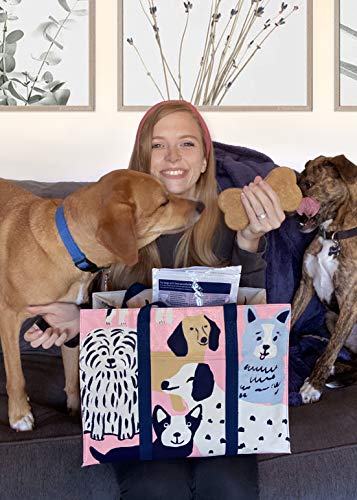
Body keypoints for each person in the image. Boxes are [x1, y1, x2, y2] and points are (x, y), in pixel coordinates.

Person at [24, 100, 285, 499]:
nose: (172, 157)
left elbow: (257, 333)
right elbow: (101, 330)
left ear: (204, 160)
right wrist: (73, 322)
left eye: (186, 144)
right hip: (137, 403)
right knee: (156, 487)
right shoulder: (109, 217)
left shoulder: (236, 222)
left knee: (228, 485)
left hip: (219, 398)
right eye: (158, 146)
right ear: (142, 160)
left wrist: (250, 244)